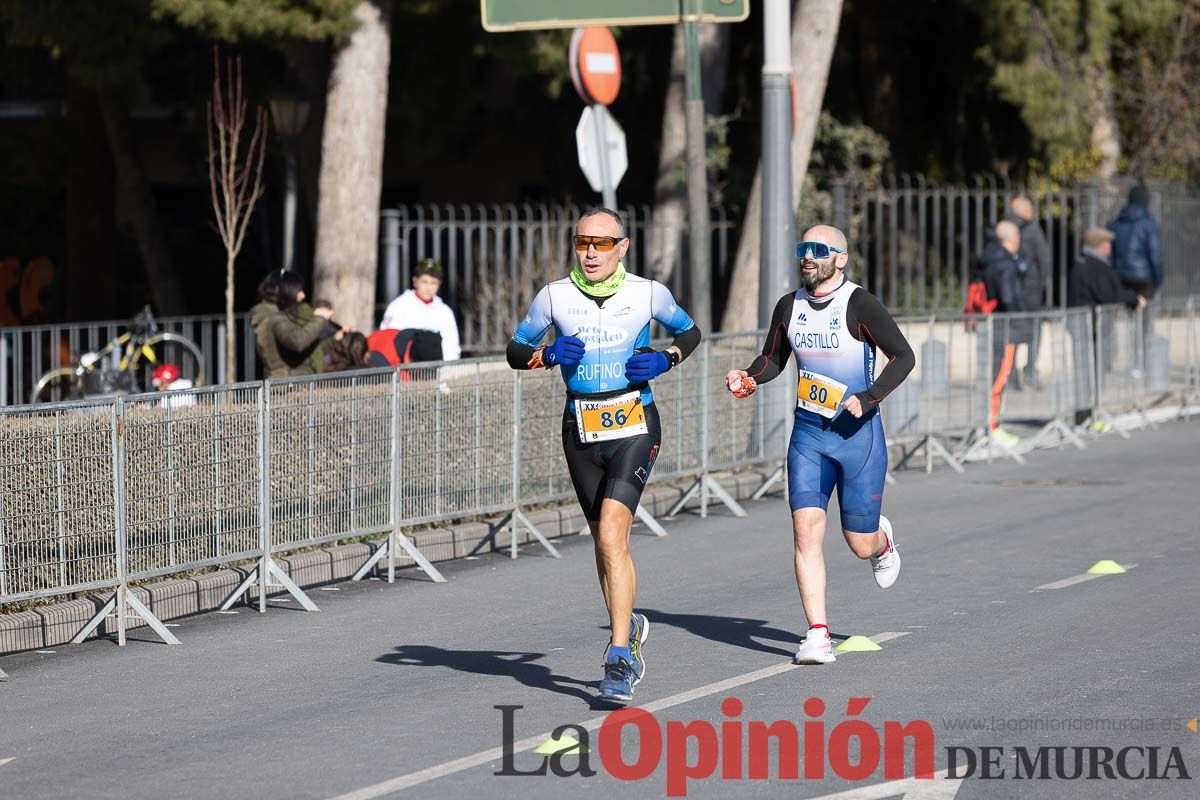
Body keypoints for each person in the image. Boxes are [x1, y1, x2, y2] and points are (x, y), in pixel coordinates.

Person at [507, 207, 701, 702]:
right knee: (605, 543)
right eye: (581, 242)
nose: (590, 252)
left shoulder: (647, 293)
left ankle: (619, 657)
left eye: (601, 243)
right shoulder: (555, 297)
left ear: (622, 247)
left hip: (635, 421)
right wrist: (545, 356)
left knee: (614, 532)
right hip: (580, 424)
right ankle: (629, 623)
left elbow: (690, 333)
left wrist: (666, 358)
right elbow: (515, 350)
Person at [725, 225, 914, 666]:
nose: (807, 257)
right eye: (802, 249)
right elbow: (773, 357)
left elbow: (903, 356)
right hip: (808, 438)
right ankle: (817, 633)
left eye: (819, 250)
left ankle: (882, 543)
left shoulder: (860, 304)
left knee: (858, 542)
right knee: (806, 531)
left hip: (857, 439)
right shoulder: (789, 306)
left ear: (841, 259)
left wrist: (868, 398)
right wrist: (751, 376)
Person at [1067, 227, 1148, 427]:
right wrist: (1134, 299)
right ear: (1101, 246)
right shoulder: (1094, 267)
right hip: (1090, 325)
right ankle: (1086, 417)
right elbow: (1109, 294)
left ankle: (1088, 415)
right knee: (1089, 372)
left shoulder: (1084, 264)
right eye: (1107, 244)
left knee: (1088, 371)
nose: (1110, 248)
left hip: (1085, 323)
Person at [975, 220, 1027, 447]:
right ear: (1013, 238)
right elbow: (1008, 296)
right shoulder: (1005, 263)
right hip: (1004, 325)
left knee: (992, 374)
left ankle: (988, 425)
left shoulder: (989, 256)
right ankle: (992, 426)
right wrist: (1019, 316)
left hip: (991, 322)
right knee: (999, 376)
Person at [1108, 182, 1162, 370]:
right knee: (1144, 323)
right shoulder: (1149, 224)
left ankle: (1124, 360)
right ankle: (1141, 363)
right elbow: (1154, 255)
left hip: (1123, 278)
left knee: (1125, 319)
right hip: (1144, 279)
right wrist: (1156, 281)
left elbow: (1111, 256)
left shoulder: (1115, 223)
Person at [249, 271, 339, 379]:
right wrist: (320, 318)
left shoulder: (274, 316)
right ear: (285, 291)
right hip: (290, 388)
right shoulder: (275, 320)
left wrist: (334, 339)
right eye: (298, 290)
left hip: (292, 383)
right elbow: (298, 341)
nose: (302, 295)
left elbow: (301, 351)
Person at [1005, 197, 1052, 389]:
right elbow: (1045, 258)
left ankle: (1011, 374)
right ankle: (1030, 370)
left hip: (1010, 287)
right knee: (1034, 330)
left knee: (1012, 331)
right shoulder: (1032, 229)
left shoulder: (1005, 228)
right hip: (1031, 289)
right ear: (1025, 211)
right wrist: (1041, 283)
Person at [379, 259, 462, 362]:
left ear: (439, 284)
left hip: (437, 370)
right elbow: (388, 340)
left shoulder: (445, 312)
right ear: (415, 281)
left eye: (433, 283)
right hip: (403, 370)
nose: (428, 287)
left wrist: (444, 370)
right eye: (424, 281)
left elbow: (452, 347)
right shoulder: (399, 306)